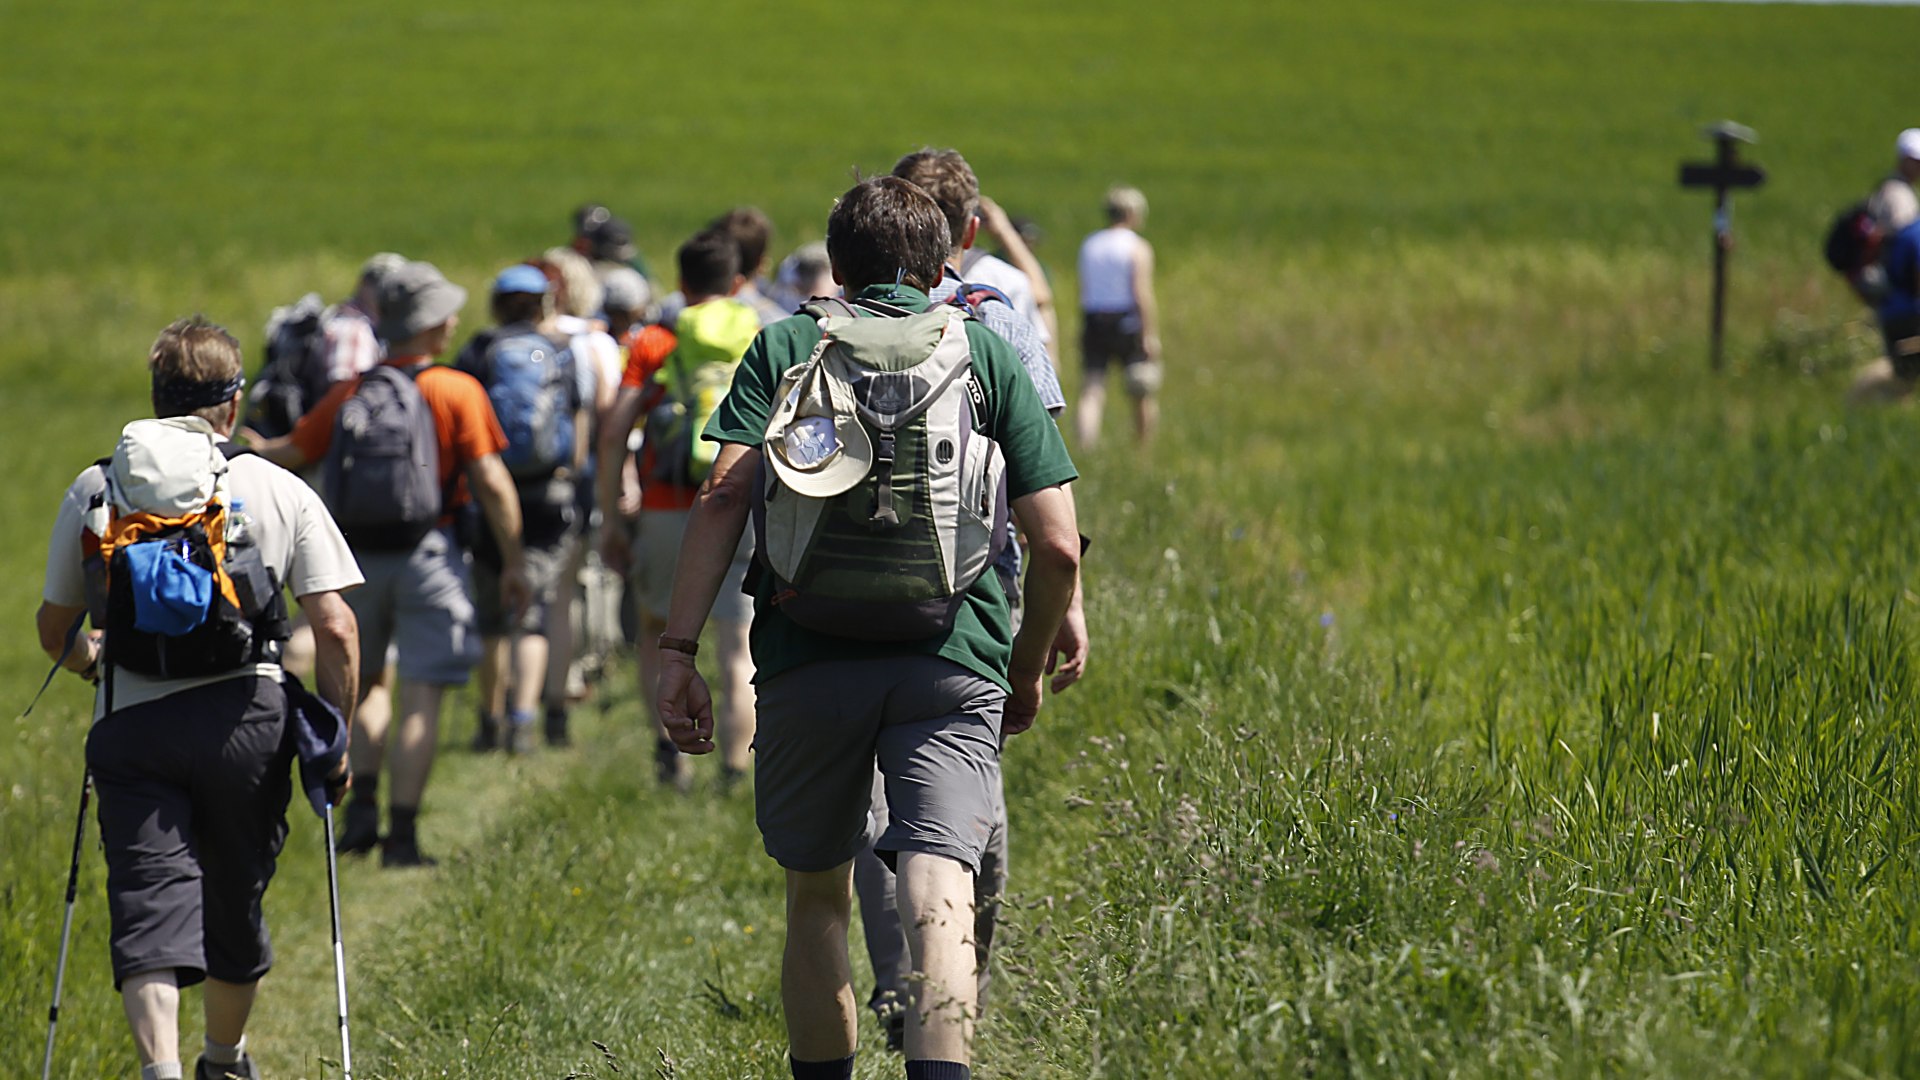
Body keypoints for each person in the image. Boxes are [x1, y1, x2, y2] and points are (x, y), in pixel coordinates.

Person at [656, 176, 1081, 1079]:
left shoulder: (785, 344)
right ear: (943, 265)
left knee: (817, 898)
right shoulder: (986, 355)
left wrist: (677, 650)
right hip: (953, 656)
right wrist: (1028, 666)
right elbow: (1057, 548)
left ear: (837, 266)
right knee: (941, 885)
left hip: (808, 654)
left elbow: (724, 492)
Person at [37, 317, 363, 1080]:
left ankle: (160, 1071)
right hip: (246, 718)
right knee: (235, 895)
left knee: (149, 902)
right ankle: (222, 1061)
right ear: (232, 401)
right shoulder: (272, 485)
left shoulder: (96, 485)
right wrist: (335, 735)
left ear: (156, 397)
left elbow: (56, 629)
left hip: (132, 722)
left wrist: (95, 666)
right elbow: (337, 627)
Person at [859, 147, 1088, 1044]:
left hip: (843, 590)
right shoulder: (997, 317)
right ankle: (958, 983)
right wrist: (1064, 602)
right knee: (965, 799)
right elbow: (1050, 500)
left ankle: (893, 986)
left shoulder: (827, 325)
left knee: (878, 804)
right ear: (968, 230)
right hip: (972, 596)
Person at [251, 260, 530, 867]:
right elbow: (491, 482)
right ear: (433, 327)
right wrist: (513, 562)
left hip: (353, 562)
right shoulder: (457, 390)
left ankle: (362, 811)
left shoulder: (353, 391)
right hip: (430, 553)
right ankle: (402, 838)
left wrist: (249, 444)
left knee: (371, 681)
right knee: (422, 695)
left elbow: (294, 451)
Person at [599, 229, 762, 789]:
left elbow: (616, 428)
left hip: (668, 505)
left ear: (681, 283)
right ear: (737, 283)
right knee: (738, 646)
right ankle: (735, 770)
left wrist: (613, 513)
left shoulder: (655, 342)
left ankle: (669, 757)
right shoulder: (760, 336)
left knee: (657, 632)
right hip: (742, 500)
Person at [451, 265, 588, 752]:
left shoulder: (480, 351)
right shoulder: (562, 352)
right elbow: (577, 419)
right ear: (542, 304)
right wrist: (568, 474)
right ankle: (525, 721)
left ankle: (489, 722)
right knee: (534, 613)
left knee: (492, 617)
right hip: (549, 494)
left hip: (492, 492)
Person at [1075, 185, 1162, 446]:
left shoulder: (1090, 244)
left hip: (1094, 318)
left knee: (1092, 388)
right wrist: (1149, 334)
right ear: (1133, 213)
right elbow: (1141, 292)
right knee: (1141, 388)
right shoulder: (1137, 247)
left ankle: (1085, 445)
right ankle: (1143, 446)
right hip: (1126, 321)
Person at [1847, 131, 1920, 404]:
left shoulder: (1894, 191)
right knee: (1905, 372)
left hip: (1893, 300)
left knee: (1905, 370)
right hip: (1904, 301)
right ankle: (1866, 400)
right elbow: (1911, 249)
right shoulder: (1898, 197)